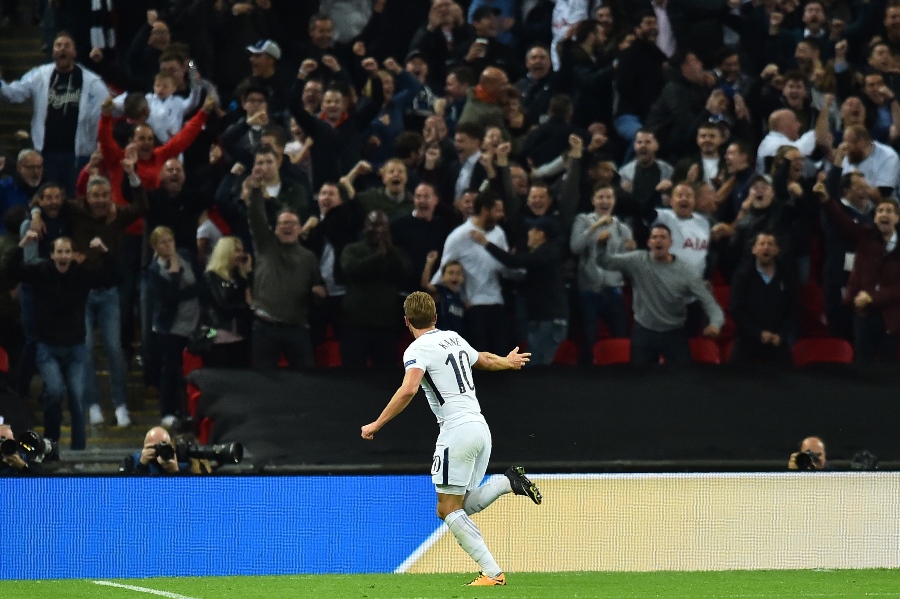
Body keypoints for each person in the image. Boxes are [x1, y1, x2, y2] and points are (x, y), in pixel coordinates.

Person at [361, 291, 541, 587]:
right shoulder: (453, 338)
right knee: (461, 504)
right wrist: (507, 363)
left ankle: (493, 573)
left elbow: (409, 389)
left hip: (456, 431)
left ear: (406, 321)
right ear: (435, 317)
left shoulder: (417, 349)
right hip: (481, 428)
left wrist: (377, 423)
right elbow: (481, 359)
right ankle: (509, 482)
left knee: (447, 508)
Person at [12, 233, 113, 450]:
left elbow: (112, 277)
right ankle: (51, 443)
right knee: (55, 392)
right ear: (51, 255)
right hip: (47, 346)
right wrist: (22, 245)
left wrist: (103, 251)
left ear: (74, 255)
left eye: (67, 252)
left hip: (75, 347)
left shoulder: (81, 274)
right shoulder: (41, 272)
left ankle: (79, 449)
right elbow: (13, 271)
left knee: (77, 398)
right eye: (59, 251)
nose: (63, 256)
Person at [596, 224, 724, 365]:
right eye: (654, 237)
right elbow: (604, 261)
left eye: (663, 237)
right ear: (649, 242)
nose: (658, 240)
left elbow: (709, 302)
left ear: (670, 243)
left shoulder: (686, 271)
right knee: (639, 382)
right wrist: (601, 245)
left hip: (674, 334)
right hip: (644, 332)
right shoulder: (637, 260)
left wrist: (715, 324)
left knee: (683, 380)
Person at [0, 32, 108, 194]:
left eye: (67, 45)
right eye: (58, 45)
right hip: (46, 155)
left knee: (76, 199)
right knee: (48, 199)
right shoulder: (39, 75)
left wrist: (100, 146)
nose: (62, 48)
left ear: (74, 52)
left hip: (79, 155)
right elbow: (14, 94)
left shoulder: (92, 82)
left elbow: (104, 112)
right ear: (53, 52)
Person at [147, 226, 206, 427]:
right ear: (155, 246)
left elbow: (200, 285)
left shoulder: (186, 256)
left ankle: (191, 410)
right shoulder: (155, 271)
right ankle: (168, 411)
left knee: (193, 368)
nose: (168, 245)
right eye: (162, 242)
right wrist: (174, 276)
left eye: (170, 240)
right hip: (170, 327)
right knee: (171, 369)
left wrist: (183, 292)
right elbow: (167, 300)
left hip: (195, 322)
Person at [204, 237, 252, 369]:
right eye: (237, 251)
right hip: (217, 333)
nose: (241, 255)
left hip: (240, 334)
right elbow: (222, 306)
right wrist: (246, 306)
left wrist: (248, 274)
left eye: (242, 251)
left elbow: (250, 300)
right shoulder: (211, 276)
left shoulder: (238, 276)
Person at [118, 426, 191, 475]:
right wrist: (141, 466)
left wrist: (175, 473)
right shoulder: (131, 461)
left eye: (163, 446)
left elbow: (189, 495)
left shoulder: (182, 466)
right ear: (144, 448)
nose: (158, 451)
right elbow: (124, 491)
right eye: (153, 447)